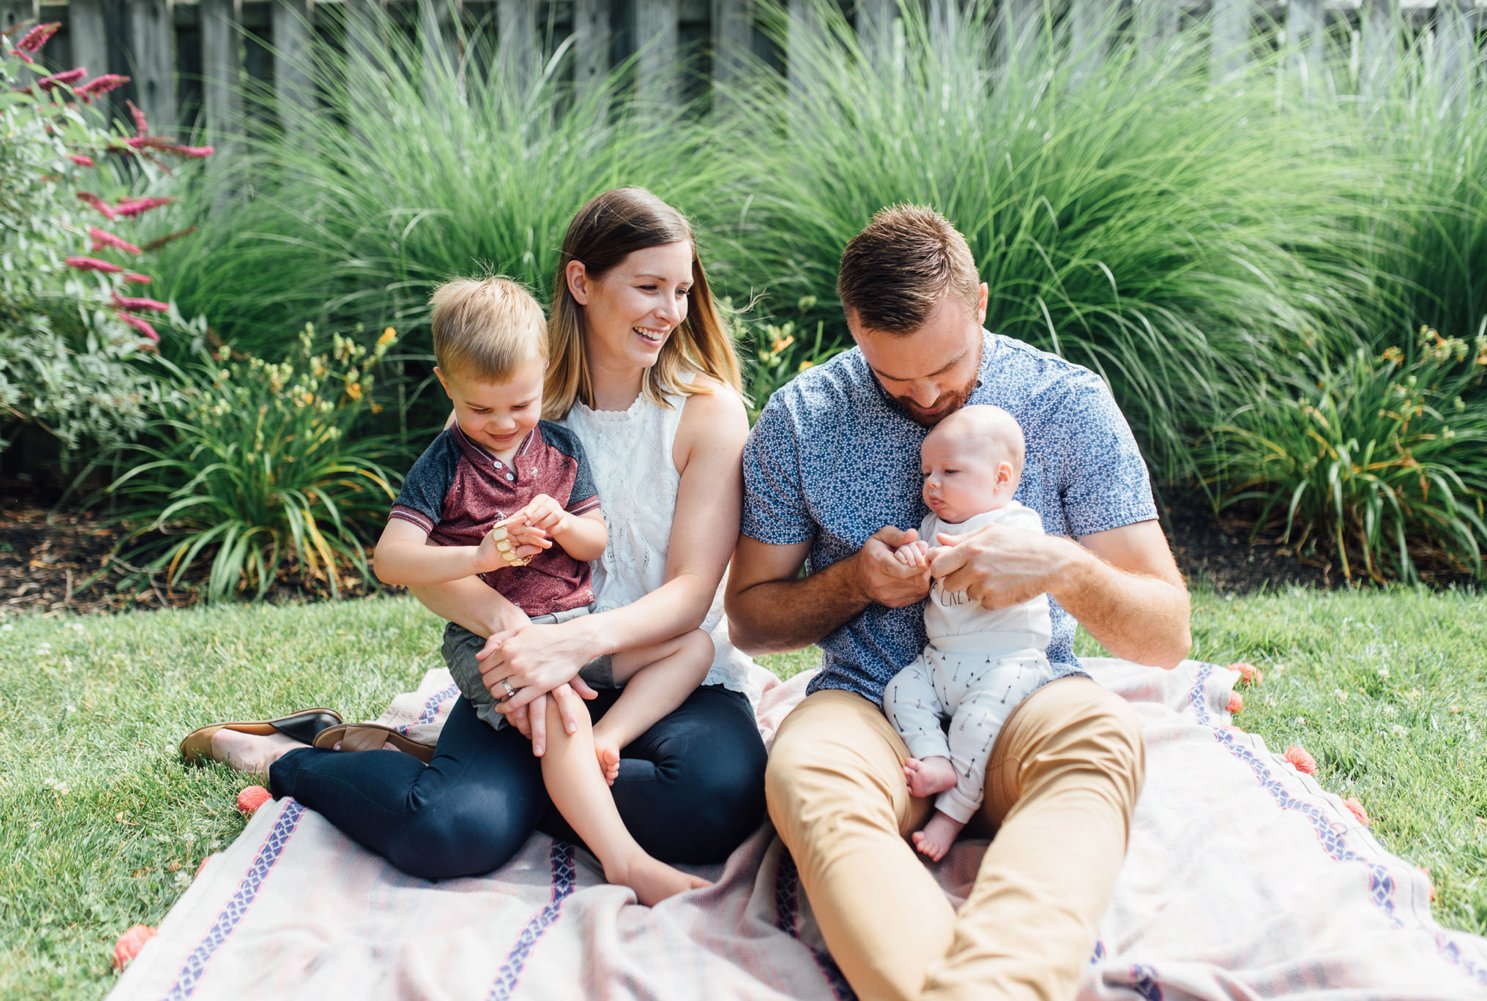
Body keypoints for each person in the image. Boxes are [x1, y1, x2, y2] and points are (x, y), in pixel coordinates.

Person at [182, 187, 767, 892]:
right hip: (520, 657)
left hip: (662, 672)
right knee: (450, 830)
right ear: (582, 282)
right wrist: (515, 632)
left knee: (716, 800)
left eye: (680, 290)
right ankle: (278, 754)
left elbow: (691, 594)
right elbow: (422, 564)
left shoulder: (706, 411)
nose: (669, 312)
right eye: (647, 287)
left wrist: (571, 646)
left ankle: (497, 778)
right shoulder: (512, 400)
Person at [725, 204, 1190, 1000]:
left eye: (946, 368)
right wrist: (853, 583)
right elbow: (750, 619)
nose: (928, 395)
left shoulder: (1066, 404)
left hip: (1024, 691)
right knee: (805, 773)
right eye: (895, 378)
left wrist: (1057, 566)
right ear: (855, 328)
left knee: (1103, 738)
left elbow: (1167, 632)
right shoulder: (802, 419)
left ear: (978, 303)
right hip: (873, 705)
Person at [366, 274, 713, 903]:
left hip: (575, 631)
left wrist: (565, 524)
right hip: (490, 642)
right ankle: (624, 860)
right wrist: (476, 553)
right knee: (560, 710)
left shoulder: (560, 445)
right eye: (480, 408)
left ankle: (606, 742)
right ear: (447, 388)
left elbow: (597, 540)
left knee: (692, 648)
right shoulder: (444, 463)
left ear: (543, 375)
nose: (502, 423)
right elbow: (391, 559)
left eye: (519, 404)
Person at [881, 403, 1055, 864]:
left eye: (950, 471)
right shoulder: (933, 526)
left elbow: (1022, 560)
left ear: (1001, 478)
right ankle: (934, 758)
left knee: (976, 726)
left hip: (1007, 661)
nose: (932, 484)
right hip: (939, 659)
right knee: (900, 692)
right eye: (928, 472)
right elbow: (922, 562)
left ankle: (953, 815)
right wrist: (909, 559)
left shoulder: (1017, 524)